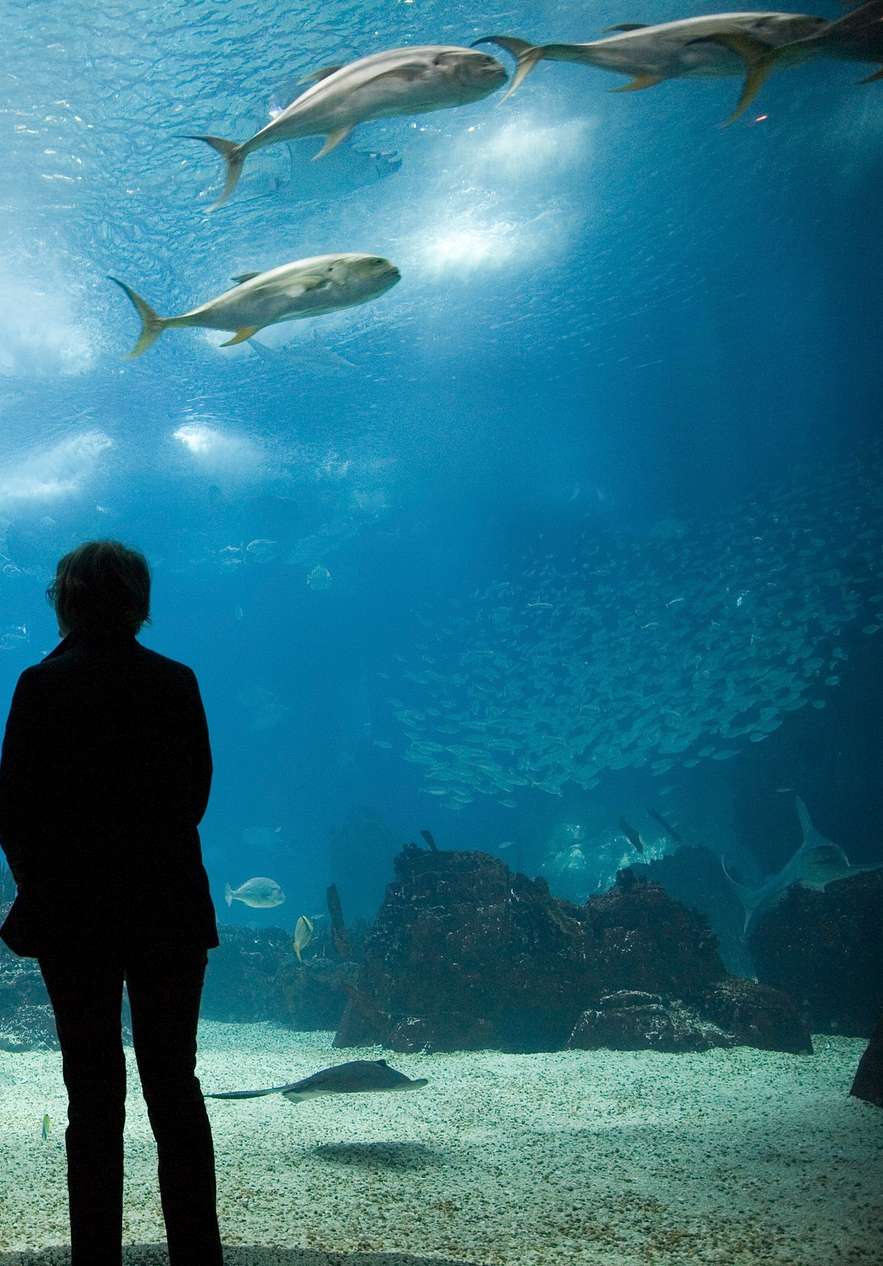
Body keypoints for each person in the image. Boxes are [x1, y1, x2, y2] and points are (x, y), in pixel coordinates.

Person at [0, 540, 223, 1266]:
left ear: (64, 598)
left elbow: (15, 809)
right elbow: (194, 797)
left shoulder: (41, 684)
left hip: (73, 914)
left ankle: (95, 1256)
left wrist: (43, 886)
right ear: (138, 600)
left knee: (90, 1091)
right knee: (174, 1083)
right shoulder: (175, 681)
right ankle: (197, 1254)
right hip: (167, 909)